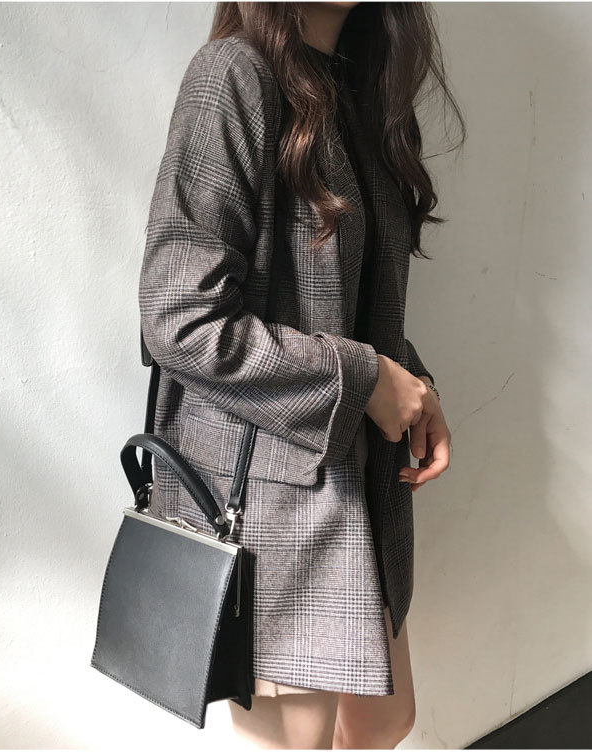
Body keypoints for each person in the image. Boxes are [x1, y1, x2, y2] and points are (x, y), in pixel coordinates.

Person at [138, 2, 460, 748]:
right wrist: (364, 381)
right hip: (268, 500)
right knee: (300, 742)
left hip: (359, 484)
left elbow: (353, 309)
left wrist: (414, 388)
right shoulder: (232, 75)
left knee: (384, 722)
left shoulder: (360, 91)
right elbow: (180, 318)